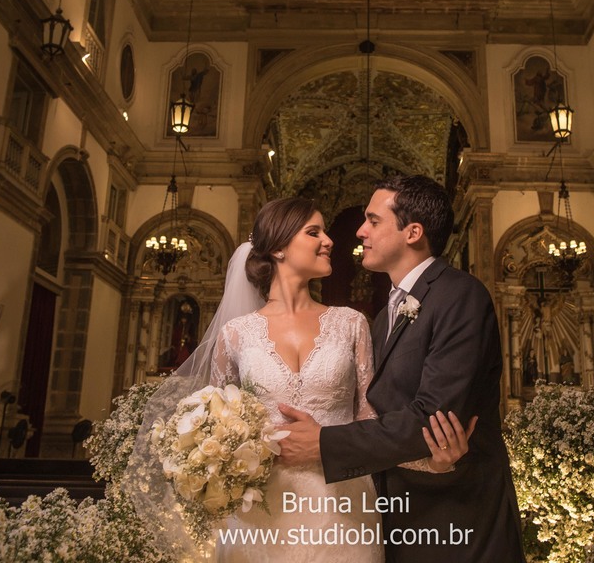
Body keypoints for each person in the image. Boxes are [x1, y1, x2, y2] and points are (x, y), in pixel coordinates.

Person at [126, 196, 470, 562]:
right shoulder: (235, 334)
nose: (329, 241)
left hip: (343, 508)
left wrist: (430, 462)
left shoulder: (350, 323)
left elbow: (369, 419)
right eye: (314, 232)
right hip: (259, 515)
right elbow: (217, 425)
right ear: (278, 248)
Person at [278, 176, 526, 563]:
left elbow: (434, 418)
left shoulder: (460, 295)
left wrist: (323, 443)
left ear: (413, 232)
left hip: (459, 519)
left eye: (373, 220)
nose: (360, 231)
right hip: (398, 516)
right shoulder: (384, 318)